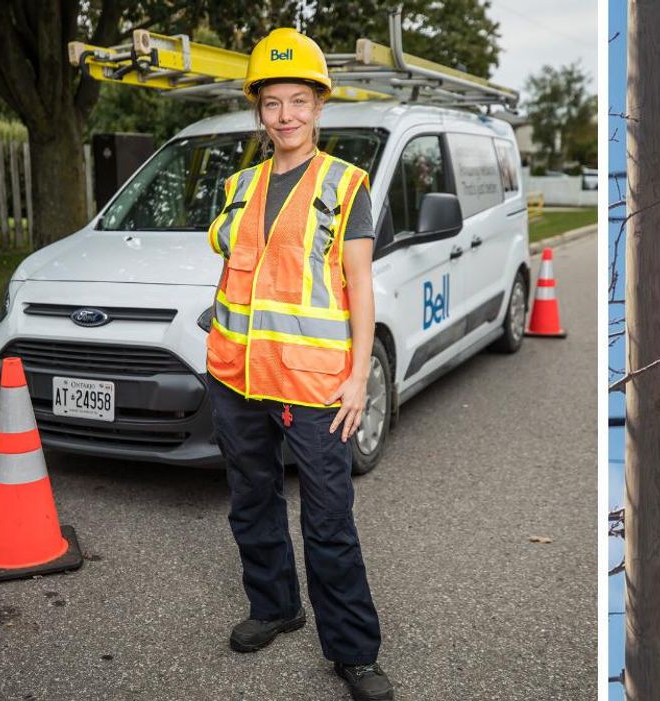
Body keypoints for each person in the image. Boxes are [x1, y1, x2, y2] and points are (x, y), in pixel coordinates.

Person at [204, 28, 392, 701]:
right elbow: (236, 276)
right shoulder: (237, 185)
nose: (286, 115)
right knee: (251, 501)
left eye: (299, 102)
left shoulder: (345, 186)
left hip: (315, 386)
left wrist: (356, 377)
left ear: (319, 107)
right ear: (259, 110)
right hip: (236, 377)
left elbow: (360, 286)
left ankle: (354, 652)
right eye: (273, 102)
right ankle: (275, 604)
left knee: (328, 521)